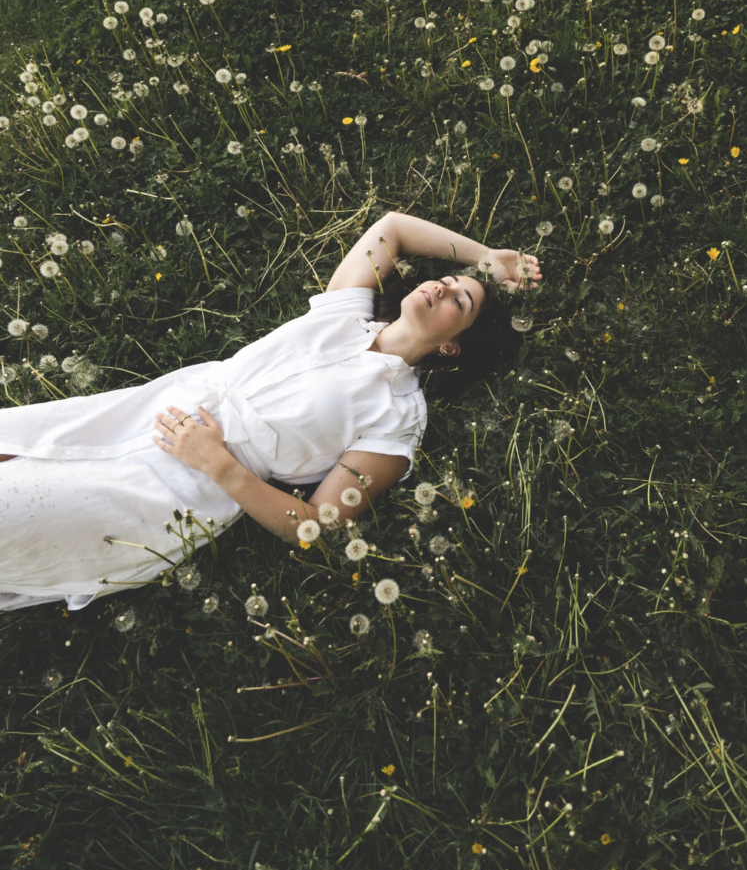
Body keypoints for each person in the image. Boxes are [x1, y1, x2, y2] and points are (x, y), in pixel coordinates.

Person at [0, 211, 541, 612]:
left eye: (459, 301)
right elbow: (393, 227)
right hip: (148, 410)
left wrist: (219, 465)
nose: (441, 286)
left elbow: (319, 528)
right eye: (445, 281)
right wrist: (483, 259)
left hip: (181, 485)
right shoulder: (346, 312)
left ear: (452, 348)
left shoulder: (398, 418)